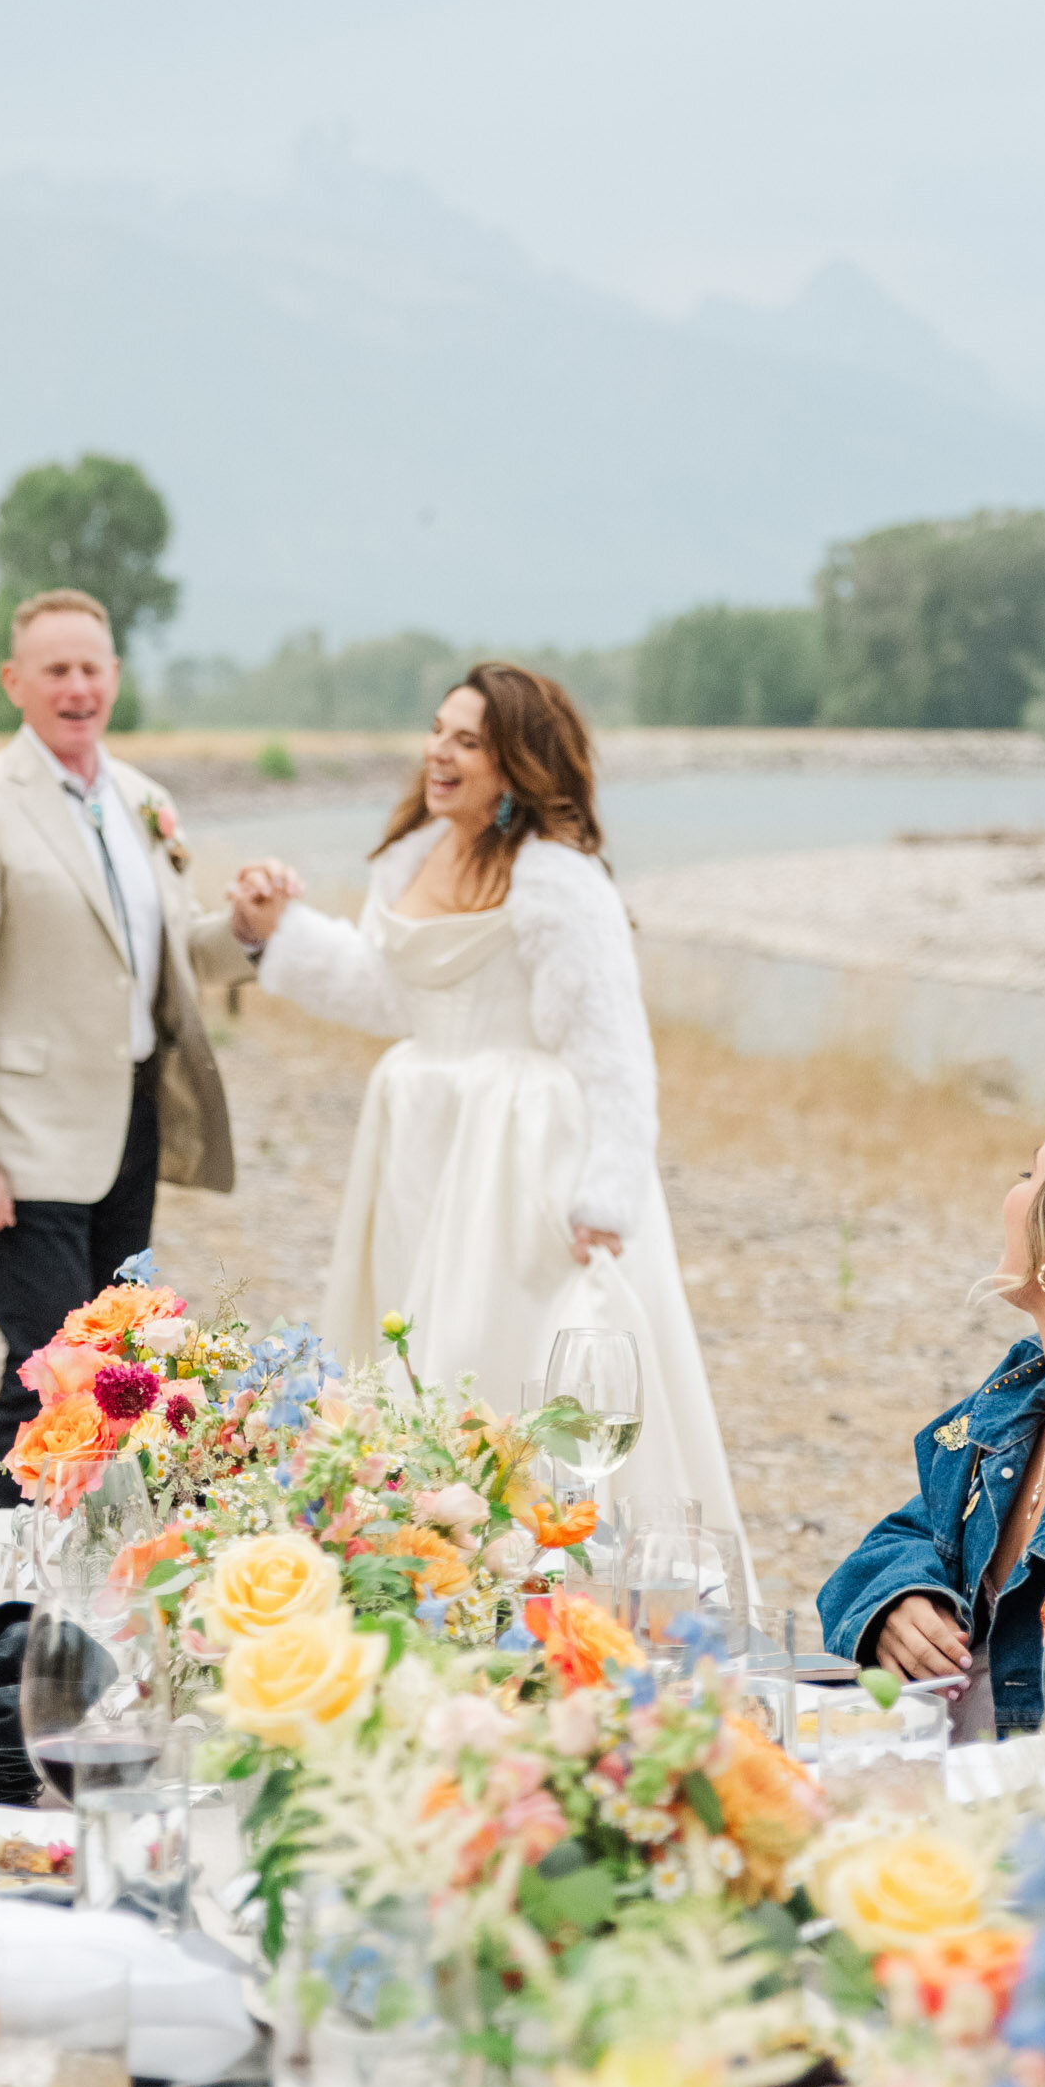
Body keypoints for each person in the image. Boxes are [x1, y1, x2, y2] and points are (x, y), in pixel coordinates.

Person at [227, 661, 749, 1572]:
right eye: (437, 731)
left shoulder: (558, 883)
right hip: (415, 1150)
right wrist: (281, 928)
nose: (439, 752)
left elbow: (615, 1053)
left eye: (466, 740)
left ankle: (519, 1575)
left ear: (513, 763)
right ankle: (412, 1566)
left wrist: (608, 1194)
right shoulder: (412, 856)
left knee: (488, 1359)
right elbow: (385, 993)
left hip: (520, 1161)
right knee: (407, 1355)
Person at [0, 587, 255, 1504]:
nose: (76, 686)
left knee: (102, 1365)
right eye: (55, 670)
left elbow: (176, 954)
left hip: (130, 1126)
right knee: (58, 1365)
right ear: (14, 682)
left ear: (115, 677)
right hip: (23, 1142)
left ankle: (24, 1561)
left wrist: (251, 930)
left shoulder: (143, 800)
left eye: (91, 668)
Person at [820, 1076, 1045, 1736]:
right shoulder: (1022, 1398)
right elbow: (911, 1532)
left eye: (1029, 1174)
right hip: (940, 1802)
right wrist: (896, 1600)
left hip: (1044, 1830)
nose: (1010, 1193)